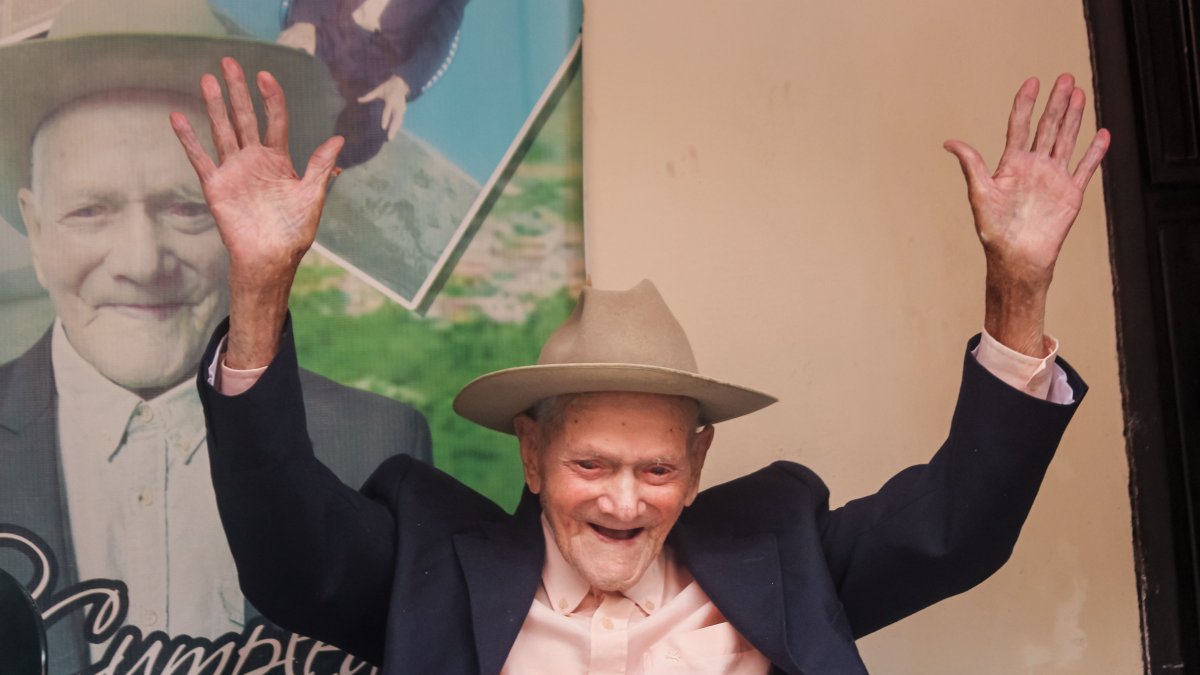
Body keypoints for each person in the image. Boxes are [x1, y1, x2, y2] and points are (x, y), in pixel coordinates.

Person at [174, 56, 1108, 673]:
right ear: (531, 455)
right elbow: (287, 550)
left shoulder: (782, 552)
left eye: (657, 468)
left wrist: (1018, 288)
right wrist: (258, 286)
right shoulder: (433, 563)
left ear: (698, 464)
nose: (624, 501)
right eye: (591, 463)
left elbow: (958, 526)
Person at [0, 1, 430, 671]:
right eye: (90, 210)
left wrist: (263, 289)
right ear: (34, 228)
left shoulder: (377, 445)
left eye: (187, 207)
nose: (141, 262)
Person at [278, 0, 470, 167]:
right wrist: (305, 21)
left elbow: (439, 39)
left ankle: (317, 172)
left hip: (384, 63)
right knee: (283, 84)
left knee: (375, 126)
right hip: (330, 27)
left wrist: (403, 82)